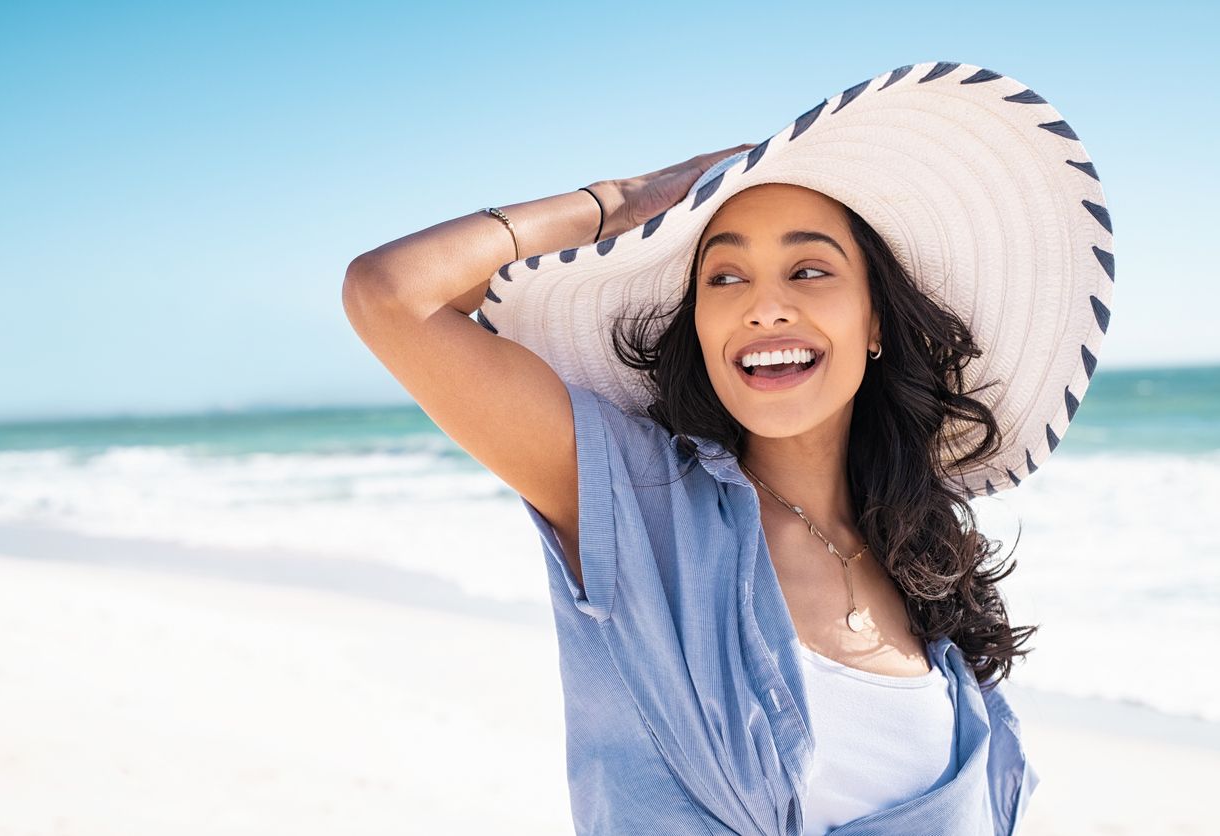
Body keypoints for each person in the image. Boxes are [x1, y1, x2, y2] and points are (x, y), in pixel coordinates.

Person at [342, 61, 1114, 835]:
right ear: (700, 328)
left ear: (875, 321)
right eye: (725, 278)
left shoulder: (928, 569)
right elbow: (391, 295)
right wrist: (619, 203)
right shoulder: (637, 504)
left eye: (809, 270)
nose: (765, 307)